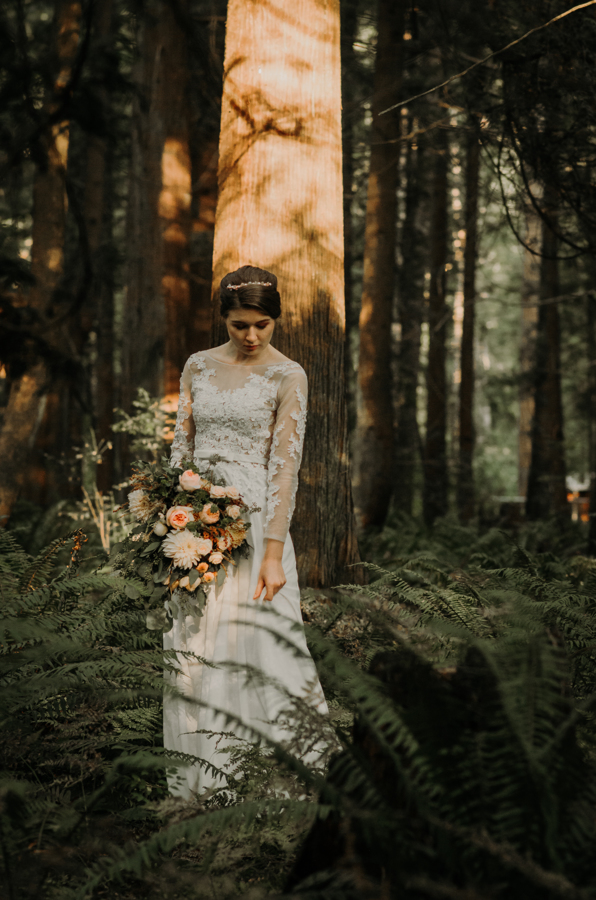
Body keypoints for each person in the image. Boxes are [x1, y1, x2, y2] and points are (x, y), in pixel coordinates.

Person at [164, 264, 328, 797]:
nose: (251, 336)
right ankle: (199, 783)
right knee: (195, 643)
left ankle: (275, 781)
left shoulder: (289, 375)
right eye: (239, 325)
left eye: (261, 324)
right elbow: (180, 447)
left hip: (255, 523)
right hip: (194, 518)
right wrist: (169, 514)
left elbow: (285, 467)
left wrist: (274, 552)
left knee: (259, 647)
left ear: (275, 319)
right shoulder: (197, 366)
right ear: (224, 320)